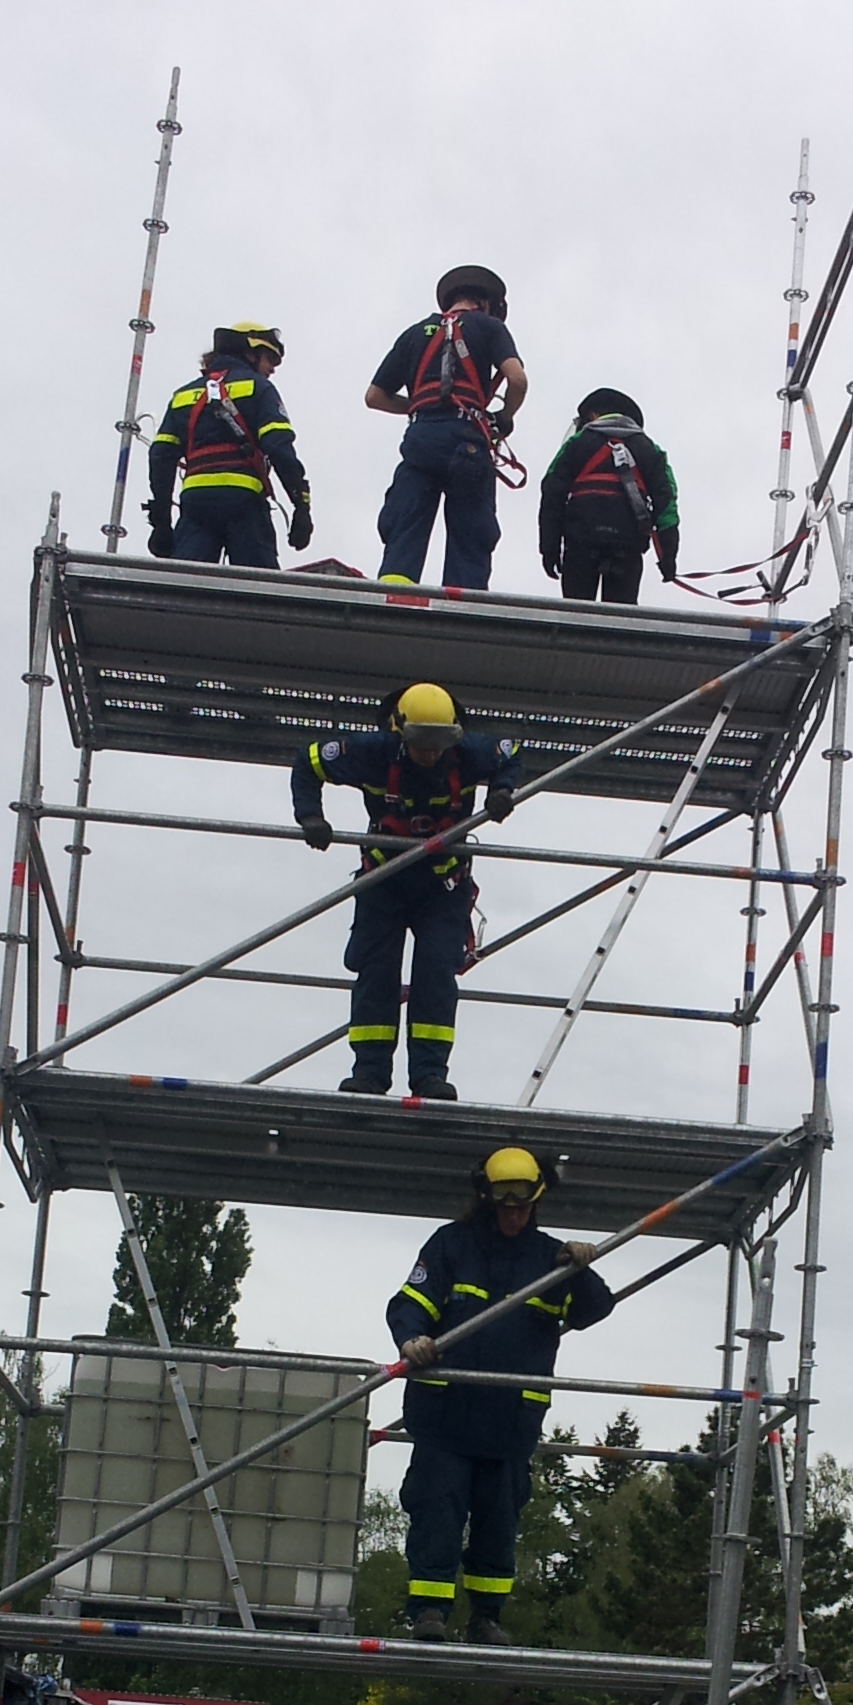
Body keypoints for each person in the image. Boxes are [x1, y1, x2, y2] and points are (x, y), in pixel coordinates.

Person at [389, 1146, 613, 1641]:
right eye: (504, 1204)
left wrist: (581, 1270)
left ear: (537, 1200)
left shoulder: (550, 1259)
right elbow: (409, 1303)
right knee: (436, 1512)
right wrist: (411, 1339)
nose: (513, 1215)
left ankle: (486, 1617)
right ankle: (428, 1612)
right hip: (445, 1416)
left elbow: (593, 1310)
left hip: (510, 1423)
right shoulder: (451, 1245)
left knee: (498, 1524)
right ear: (486, 1198)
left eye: (523, 1205)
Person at [291, 681, 520, 1098]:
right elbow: (309, 761)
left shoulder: (470, 752)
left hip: (443, 885)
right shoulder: (371, 752)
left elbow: (511, 752)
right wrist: (310, 817)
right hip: (385, 881)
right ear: (399, 732)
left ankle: (430, 1076)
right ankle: (369, 1073)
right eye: (422, 745)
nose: (431, 754)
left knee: (436, 976)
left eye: (439, 745)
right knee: (376, 974)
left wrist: (502, 791)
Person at [365, 264, 528, 591]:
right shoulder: (489, 326)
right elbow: (517, 379)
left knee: (405, 526)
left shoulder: (414, 333)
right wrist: (503, 418)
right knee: (471, 535)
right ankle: (461, 607)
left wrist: (419, 405)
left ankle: (395, 599)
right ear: (486, 303)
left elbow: (374, 397)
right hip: (467, 439)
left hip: (421, 437)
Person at [148, 322, 314, 567]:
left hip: (196, 506)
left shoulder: (183, 396)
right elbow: (279, 447)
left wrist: (161, 521)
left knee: (186, 583)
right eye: (269, 359)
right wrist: (301, 505)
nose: (272, 369)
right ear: (250, 354)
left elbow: (161, 456)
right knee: (256, 586)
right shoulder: (259, 388)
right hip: (245, 504)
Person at [538, 391, 682, 604]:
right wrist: (667, 557)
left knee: (576, 615)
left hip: (580, 544)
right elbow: (667, 505)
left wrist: (549, 548)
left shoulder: (576, 443)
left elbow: (552, 494)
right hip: (627, 547)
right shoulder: (650, 450)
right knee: (620, 618)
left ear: (593, 415)